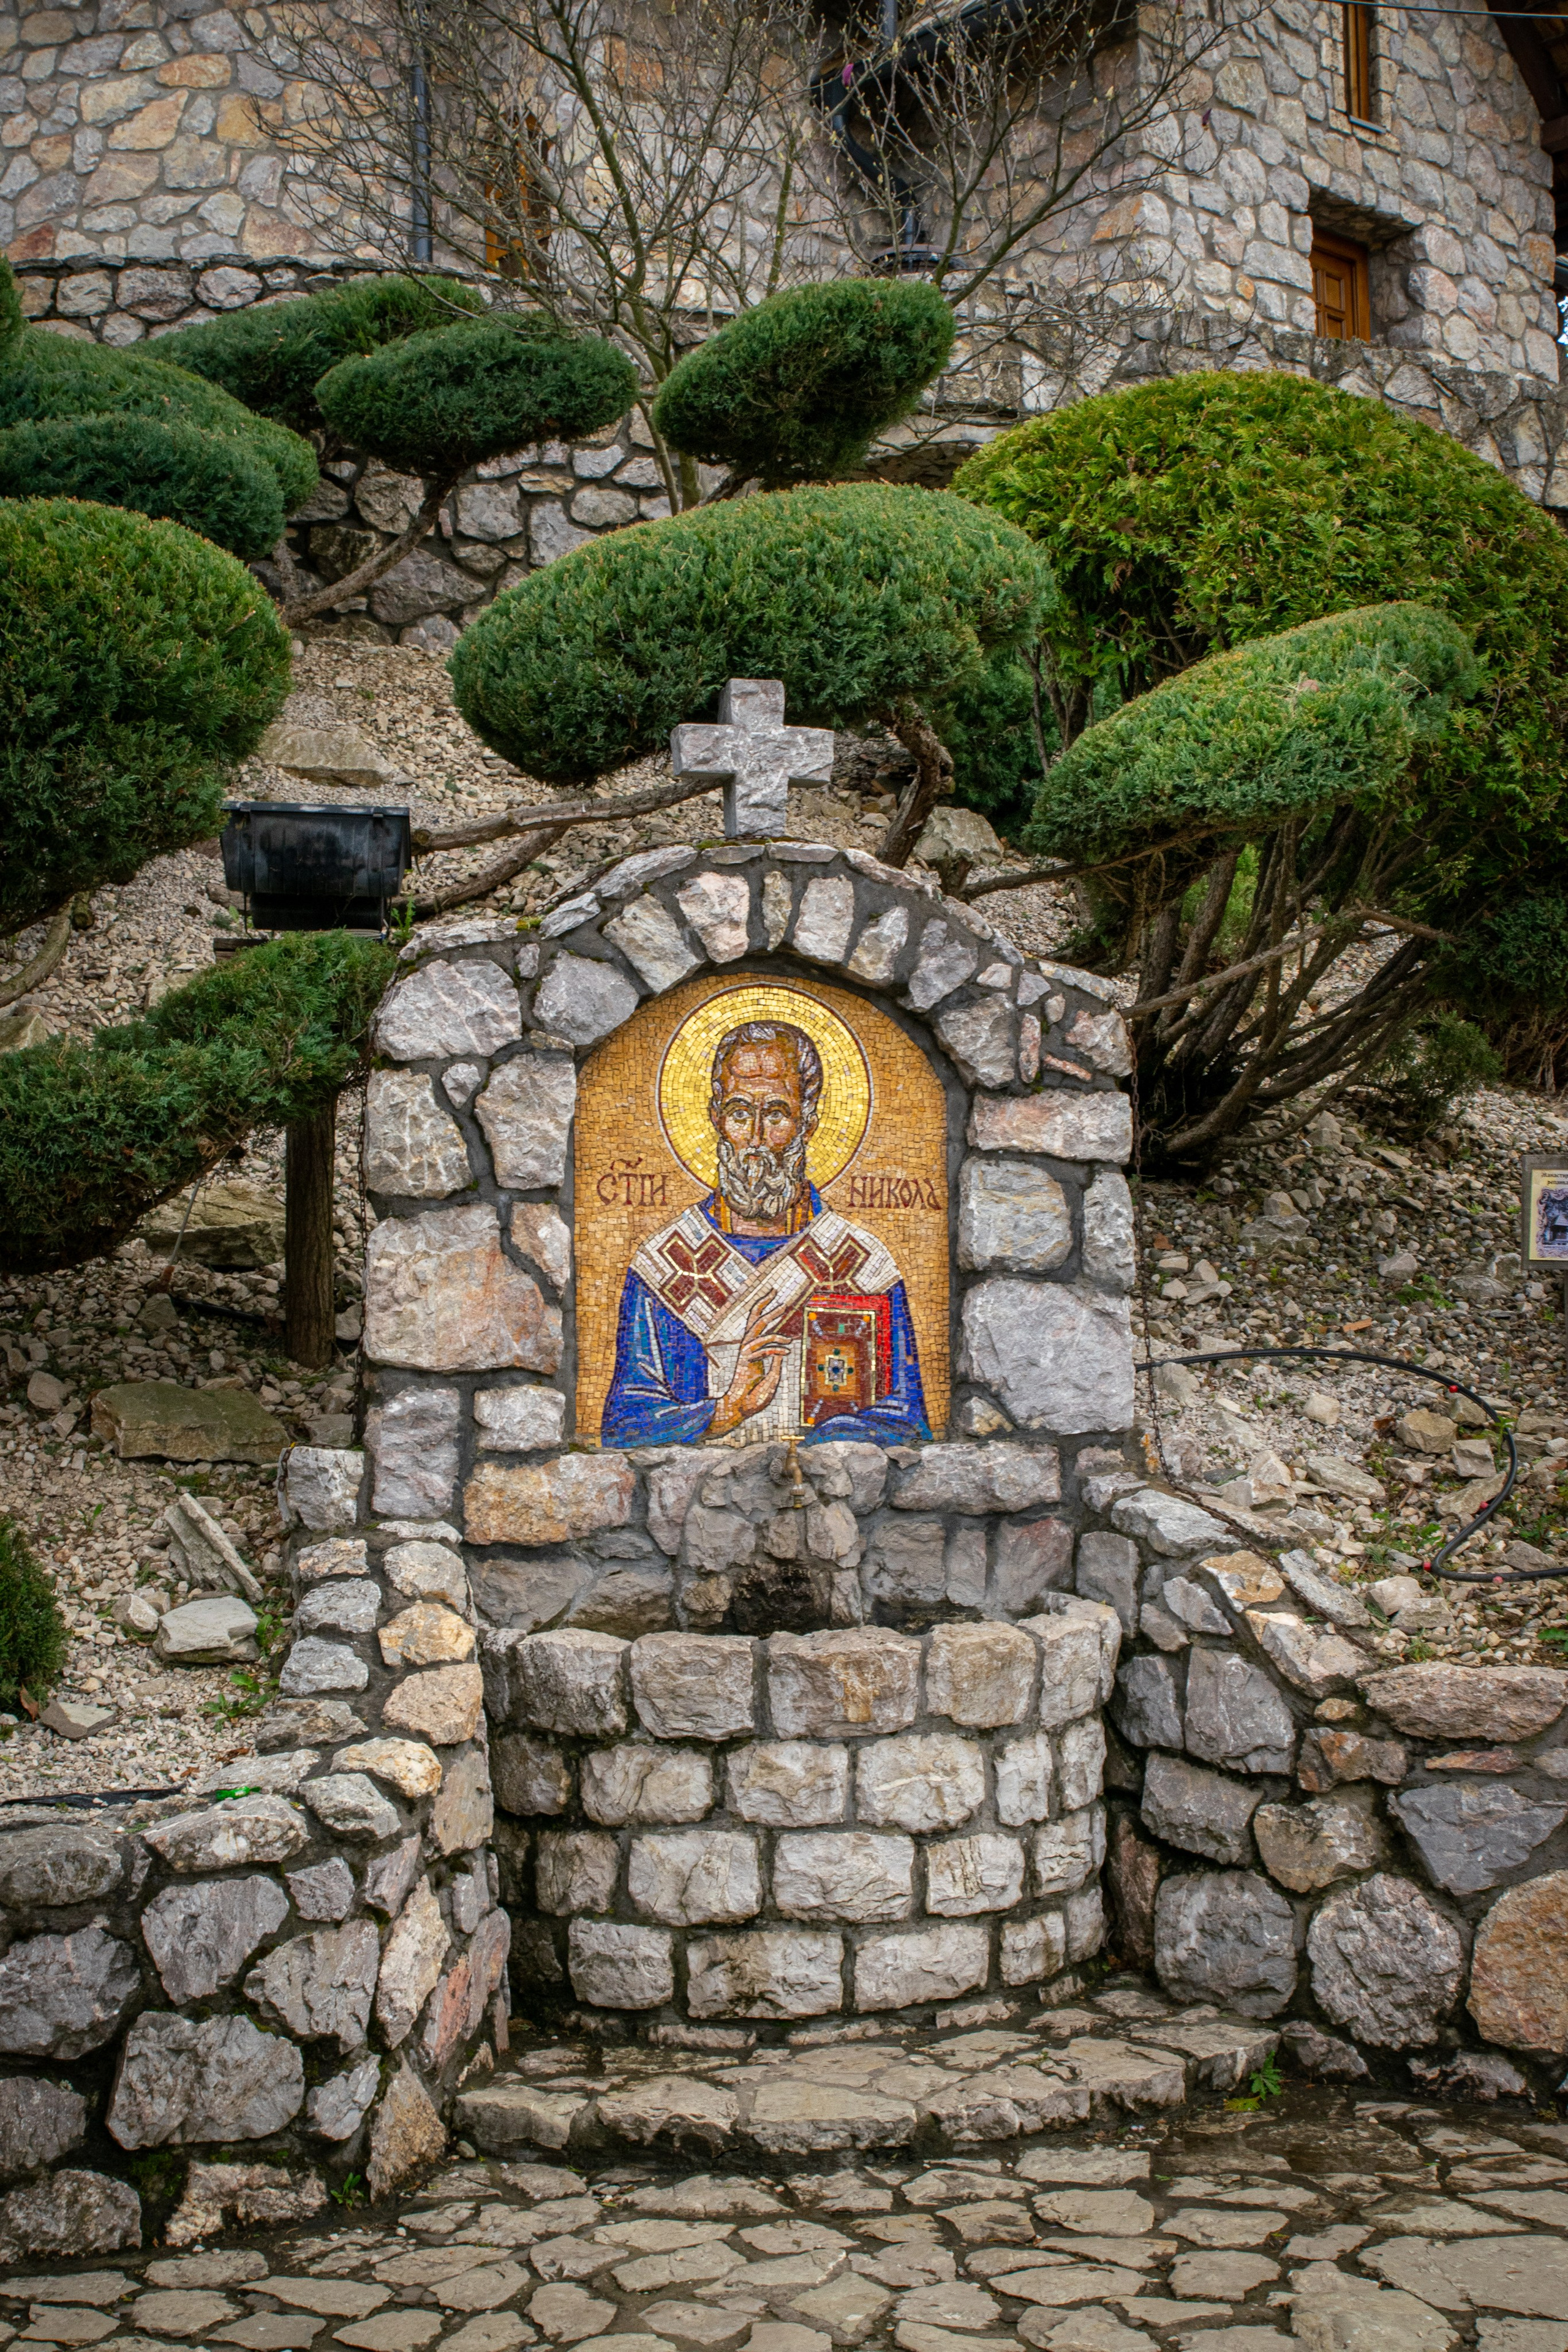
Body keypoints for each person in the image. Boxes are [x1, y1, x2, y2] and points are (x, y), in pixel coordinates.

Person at [601, 1018, 930, 1447]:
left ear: (808, 1122)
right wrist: (723, 1412)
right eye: (740, 1113)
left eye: (775, 1113)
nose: (756, 1138)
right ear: (716, 1118)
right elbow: (626, 1424)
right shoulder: (666, 1263)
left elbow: (903, 1419)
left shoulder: (862, 1263)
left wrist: (819, 1449)